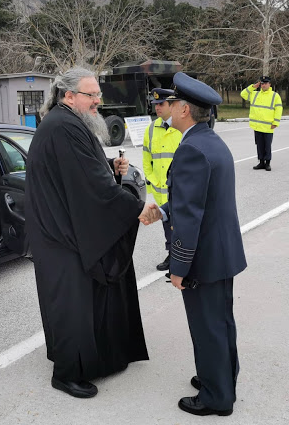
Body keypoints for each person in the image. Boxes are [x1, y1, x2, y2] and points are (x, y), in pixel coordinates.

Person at [23, 67, 151, 399]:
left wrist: (110, 168)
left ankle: (89, 359)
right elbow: (89, 184)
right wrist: (135, 208)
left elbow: (76, 173)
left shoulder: (65, 122)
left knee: (80, 301)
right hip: (59, 234)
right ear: (68, 95)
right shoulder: (64, 126)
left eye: (98, 94)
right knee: (71, 305)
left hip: (62, 226)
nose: (97, 101)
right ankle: (66, 374)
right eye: (91, 95)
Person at [145, 72, 247, 417]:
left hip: (204, 257)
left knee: (207, 327)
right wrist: (161, 210)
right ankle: (221, 378)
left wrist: (179, 267)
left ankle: (216, 397)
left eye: (170, 103)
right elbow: (196, 200)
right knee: (220, 322)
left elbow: (189, 220)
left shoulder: (190, 149)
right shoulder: (208, 140)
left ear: (184, 109)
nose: (166, 109)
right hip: (222, 252)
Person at [143, 88, 182, 271]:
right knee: (167, 226)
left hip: (180, 191)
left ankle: (184, 257)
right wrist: (154, 181)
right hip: (161, 191)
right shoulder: (151, 129)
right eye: (155, 104)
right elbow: (146, 159)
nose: (157, 108)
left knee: (182, 225)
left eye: (161, 104)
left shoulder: (181, 127)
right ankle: (172, 255)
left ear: (171, 105)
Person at [240, 76, 283, 171]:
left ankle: (267, 163)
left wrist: (276, 122)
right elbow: (243, 94)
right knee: (259, 145)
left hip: (268, 126)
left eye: (265, 83)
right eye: (262, 83)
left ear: (269, 84)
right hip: (257, 126)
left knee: (267, 145)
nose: (263, 85)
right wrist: (253, 87)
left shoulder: (275, 96)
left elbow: (278, 109)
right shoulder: (255, 94)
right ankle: (261, 162)